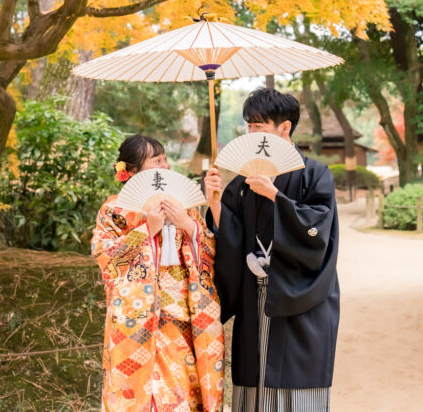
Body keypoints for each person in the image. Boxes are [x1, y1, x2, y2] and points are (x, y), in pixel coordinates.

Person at [205, 88, 340, 412]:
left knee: (297, 379)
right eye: (249, 126)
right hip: (254, 294)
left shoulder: (315, 174)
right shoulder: (243, 180)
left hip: (300, 295)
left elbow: (317, 231)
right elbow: (231, 234)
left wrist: (276, 197)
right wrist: (213, 201)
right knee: (254, 379)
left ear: (284, 128)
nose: (252, 134)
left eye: (260, 127)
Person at [92, 135, 224, 412]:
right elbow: (105, 256)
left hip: (181, 318)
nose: (165, 165)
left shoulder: (184, 205)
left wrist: (188, 224)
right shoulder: (114, 209)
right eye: (157, 159)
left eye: (165, 158)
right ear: (133, 170)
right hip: (136, 319)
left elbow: (210, 252)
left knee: (180, 395)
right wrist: (147, 230)